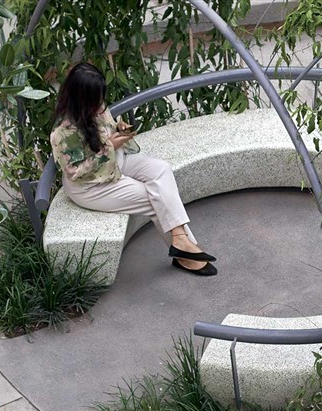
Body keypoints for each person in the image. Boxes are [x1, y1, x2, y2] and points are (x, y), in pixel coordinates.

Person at [50, 62, 217, 276]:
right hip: (91, 186)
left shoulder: (95, 106)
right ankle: (187, 253)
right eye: (96, 98)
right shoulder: (62, 133)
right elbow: (76, 172)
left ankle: (182, 244)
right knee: (153, 197)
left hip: (116, 161)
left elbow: (105, 130)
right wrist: (110, 146)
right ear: (82, 98)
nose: (101, 103)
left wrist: (118, 130)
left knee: (162, 170)